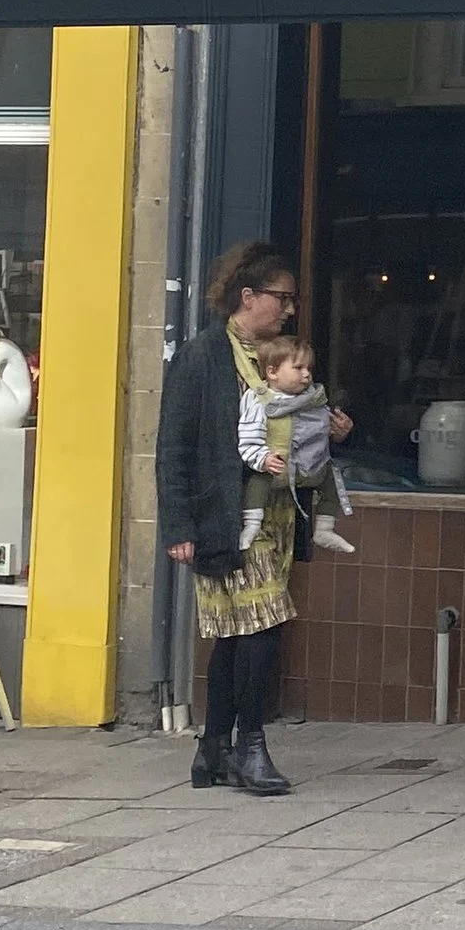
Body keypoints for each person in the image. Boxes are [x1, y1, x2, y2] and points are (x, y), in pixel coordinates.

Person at [156, 242, 351, 798]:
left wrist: (332, 428)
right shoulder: (203, 357)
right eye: (281, 298)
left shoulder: (281, 355)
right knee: (263, 627)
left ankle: (212, 749)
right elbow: (173, 448)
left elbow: (300, 423)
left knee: (237, 638)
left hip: (279, 513)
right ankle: (251, 745)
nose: (290, 309)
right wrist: (178, 528)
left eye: (291, 300)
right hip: (227, 517)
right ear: (248, 296)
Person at [237, 335, 357, 556]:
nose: (306, 374)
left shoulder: (314, 400)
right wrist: (263, 458)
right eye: (298, 368)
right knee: (258, 481)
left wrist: (337, 432)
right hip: (279, 467)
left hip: (310, 468)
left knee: (332, 479)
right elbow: (248, 436)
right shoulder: (260, 401)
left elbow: (321, 435)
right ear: (272, 372)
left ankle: (324, 528)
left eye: (309, 368)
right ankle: (252, 525)